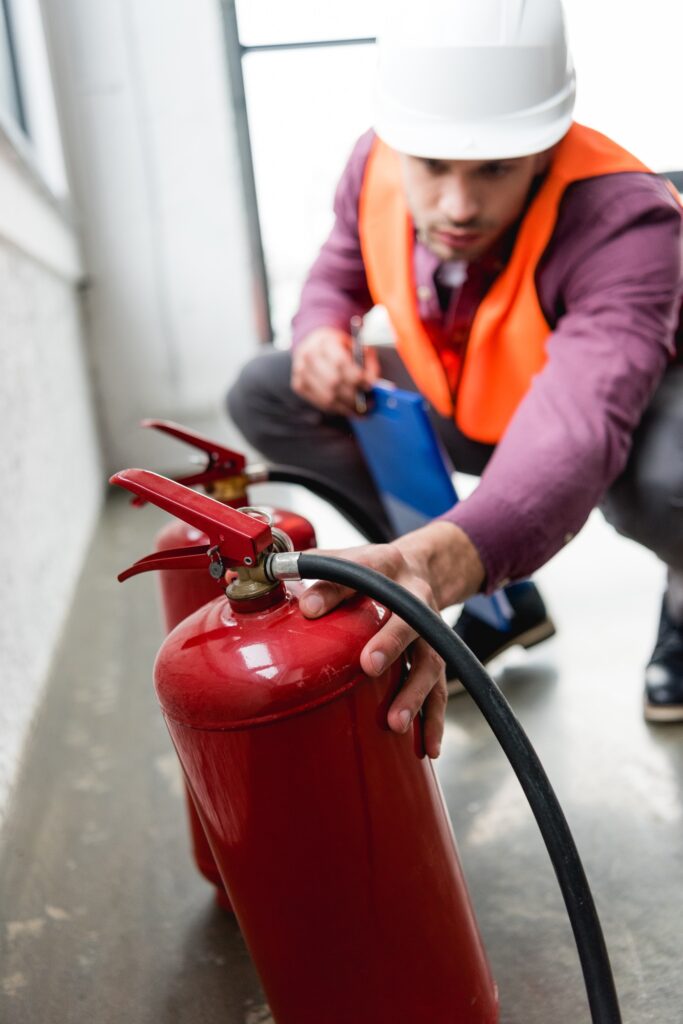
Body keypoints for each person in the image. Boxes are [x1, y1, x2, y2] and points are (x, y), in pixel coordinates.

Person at [228, 0, 683, 758]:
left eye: (495, 169)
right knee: (268, 388)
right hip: (472, 394)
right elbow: (339, 269)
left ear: (547, 143)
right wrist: (317, 333)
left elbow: (578, 427)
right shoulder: (373, 161)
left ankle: (676, 598)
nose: (458, 206)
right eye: (433, 167)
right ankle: (493, 599)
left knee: (674, 481)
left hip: (627, 419)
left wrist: (438, 562)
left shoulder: (627, 218)